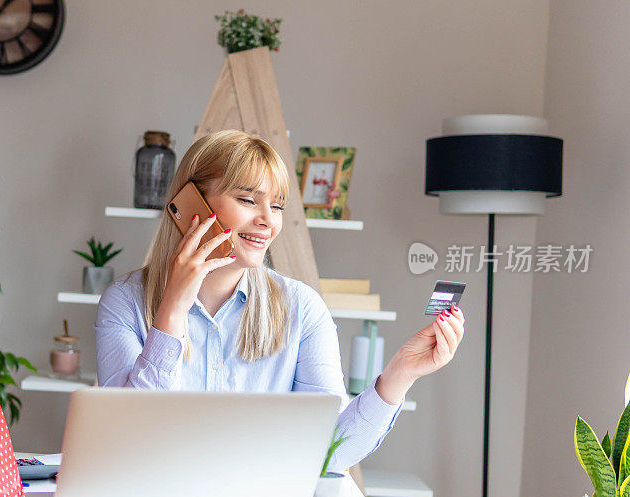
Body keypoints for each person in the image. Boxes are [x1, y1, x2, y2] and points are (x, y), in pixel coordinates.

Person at [94, 130, 465, 471]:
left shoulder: (303, 308)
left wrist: (401, 373)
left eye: (277, 205)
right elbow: (128, 443)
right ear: (192, 204)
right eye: (247, 200)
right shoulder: (124, 303)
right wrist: (172, 311)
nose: (268, 222)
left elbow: (332, 453)